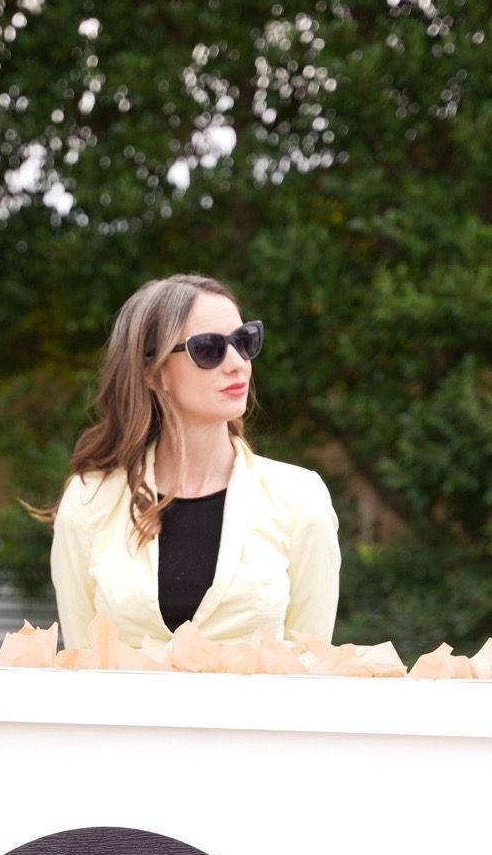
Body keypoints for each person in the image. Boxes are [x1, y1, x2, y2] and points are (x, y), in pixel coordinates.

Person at [46, 274, 340, 653]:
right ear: (153, 373)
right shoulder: (88, 502)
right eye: (209, 349)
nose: (237, 363)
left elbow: (312, 663)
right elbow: (81, 662)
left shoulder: (301, 498)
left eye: (244, 341)